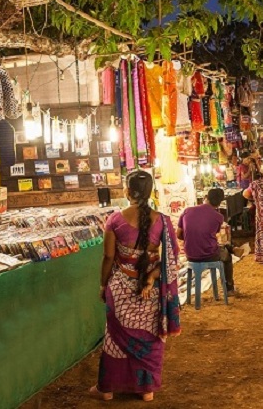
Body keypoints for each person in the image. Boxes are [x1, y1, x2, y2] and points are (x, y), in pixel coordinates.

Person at [93, 171, 180, 402]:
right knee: (149, 337)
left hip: (120, 288)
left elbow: (108, 258)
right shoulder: (162, 221)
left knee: (113, 338)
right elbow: (170, 260)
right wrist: (151, 277)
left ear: (128, 191)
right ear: (150, 191)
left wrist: (103, 285)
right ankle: (146, 389)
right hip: (148, 292)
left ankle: (107, 389)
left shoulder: (114, 220)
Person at [177, 188, 236, 294]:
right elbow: (214, 233)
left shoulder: (187, 211)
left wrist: (192, 239)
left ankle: (229, 248)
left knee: (222, 248)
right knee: (227, 258)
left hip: (190, 255)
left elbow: (179, 234)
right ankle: (229, 288)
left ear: (206, 197)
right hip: (209, 254)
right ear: (219, 202)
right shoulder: (218, 217)